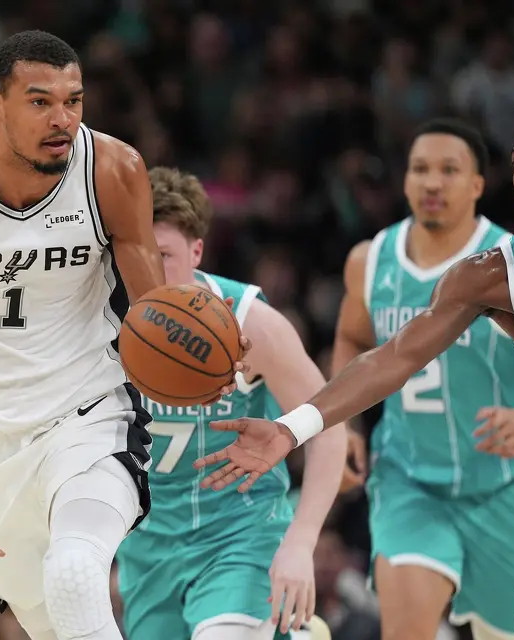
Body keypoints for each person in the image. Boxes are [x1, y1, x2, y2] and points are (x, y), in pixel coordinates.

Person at [0, 30, 242, 640]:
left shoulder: (112, 170)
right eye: (40, 102)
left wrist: (202, 351)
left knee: (77, 573)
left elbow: (153, 312)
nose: (63, 120)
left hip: (87, 415)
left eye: (74, 101)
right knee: (56, 626)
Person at [194, 89, 514, 640]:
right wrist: (293, 428)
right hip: (437, 483)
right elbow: (391, 356)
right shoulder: (491, 274)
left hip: (504, 485)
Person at [327, 119, 514, 640]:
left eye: (450, 171)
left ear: (477, 185)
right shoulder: (370, 260)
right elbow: (352, 340)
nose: (432, 182)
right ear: (404, 181)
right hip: (410, 482)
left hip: (505, 486)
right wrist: (346, 429)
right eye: (421, 169)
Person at [114, 168, 345, 640]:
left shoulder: (248, 324)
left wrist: (301, 544)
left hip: (238, 533)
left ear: (197, 251)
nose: (151, 271)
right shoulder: (101, 321)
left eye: (165, 256)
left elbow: (329, 427)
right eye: (139, 255)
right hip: (148, 548)